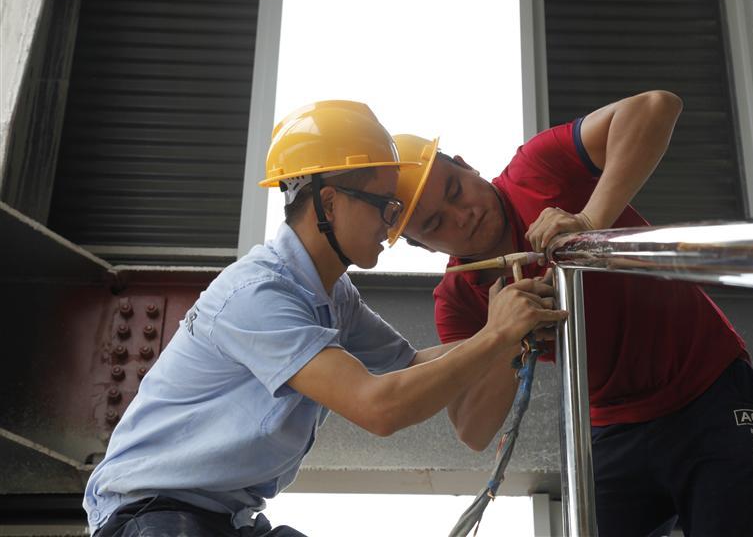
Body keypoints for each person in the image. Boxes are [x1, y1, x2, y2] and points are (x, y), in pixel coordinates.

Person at [83, 101, 567, 536]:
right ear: (330, 202)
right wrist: (496, 335)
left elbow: (409, 367)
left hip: (221, 518)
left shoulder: (332, 295)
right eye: (384, 206)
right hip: (151, 515)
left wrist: (512, 328)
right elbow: (378, 407)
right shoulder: (258, 294)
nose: (391, 225)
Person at [390, 91, 753, 537]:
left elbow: (657, 106)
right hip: (613, 427)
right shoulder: (459, 300)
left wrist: (590, 221)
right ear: (424, 246)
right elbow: (472, 430)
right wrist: (504, 337)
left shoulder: (536, 170)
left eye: (455, 190)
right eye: (435, 224)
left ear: (466, 166)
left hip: (708, 388)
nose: (462, 216)